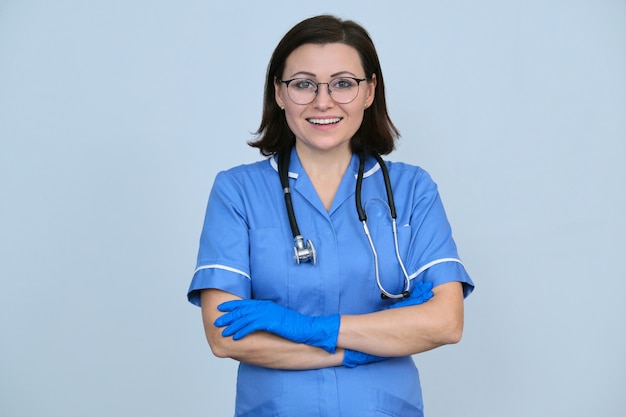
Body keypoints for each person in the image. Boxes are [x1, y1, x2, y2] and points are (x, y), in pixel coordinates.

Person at [187, 14, 474, 417]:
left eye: (344, 83)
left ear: (370, 91)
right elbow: (225, 337)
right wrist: (355, 350)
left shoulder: (412, 190)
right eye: (303, 84)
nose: (323, 102)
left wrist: (308, 329)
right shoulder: (237, 192)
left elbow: (445, 322)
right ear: (280, 93)